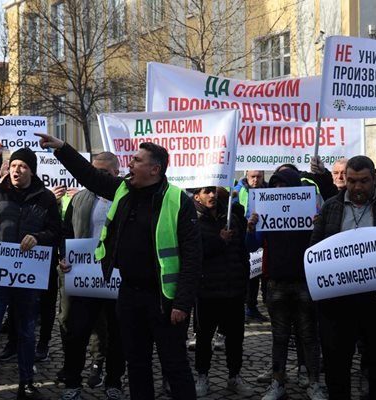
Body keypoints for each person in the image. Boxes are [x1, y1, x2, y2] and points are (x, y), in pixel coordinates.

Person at [37, 133, 202, 400]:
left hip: (165, 301)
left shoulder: (178, 201)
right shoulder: (124, 189)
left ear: (154, 169)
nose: (130, 165)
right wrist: (62, 149)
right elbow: (90, 176)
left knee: (175, 366)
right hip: (128, 294)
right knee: (137, 364)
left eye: (136, 160)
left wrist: (182, 303)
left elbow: (193, 257)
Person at [310, 155, 376, 399]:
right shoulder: (331, 207)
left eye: (364, 181)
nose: (357, 187)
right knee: (336, 370)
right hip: (338, 304)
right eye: (352, 181)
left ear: (374, 179)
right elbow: (315, 247)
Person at [0, 147, 61, 400]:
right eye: (13, 166)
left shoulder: (45, 198)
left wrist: (39, 237)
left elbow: (55, 232)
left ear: (32, 170)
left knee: (27, 331)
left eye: (22, 166)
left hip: (29, 276)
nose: (16, 170)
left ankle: (26, 383)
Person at [247, 168, 324, 400]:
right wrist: (251, 229)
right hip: (276, 283)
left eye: (285, 187)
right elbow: (251, 246)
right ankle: (278, 382)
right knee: (279, 336)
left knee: (309, 336)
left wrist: (318, 225)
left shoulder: (309, 210)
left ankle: (313, 383)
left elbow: (321, 245)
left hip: (305, 282)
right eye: (276, 187)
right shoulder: (264, 213)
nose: (280, 192)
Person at [59, 152, 125, 400]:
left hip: (116, 280)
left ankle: (114, 381)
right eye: (94, 171)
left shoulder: (125, 198)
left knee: (117, 334)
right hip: (84, 278)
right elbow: (66, 231)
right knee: (77, 333)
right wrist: (63, 257)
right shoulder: (78, 199)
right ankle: (72, 383)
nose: (97, 177)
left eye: (104, 173)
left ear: (116, 174)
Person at [191, 186, 252, 397]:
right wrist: (219, 241)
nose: (212, 195)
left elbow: (242, 252)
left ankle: (234, 376)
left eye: (214, 192)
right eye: (206, 191)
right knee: (204, 338)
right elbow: (193, 252)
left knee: (235, 338)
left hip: (233, 290)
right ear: (196, 195)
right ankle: (202, 376)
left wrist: (243, 281)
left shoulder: (231, 219)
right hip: (207, 291)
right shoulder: (192, 220)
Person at [234, 170, 269, 322]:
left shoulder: (269, 191)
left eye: (259, 177)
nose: (255, 180)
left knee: (258, 273)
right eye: (252, 177)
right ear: (246, 176)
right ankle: (247, 307)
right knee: (249, 273)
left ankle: (253, 306)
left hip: (264, 235)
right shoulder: (237, 191)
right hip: (245, 235)